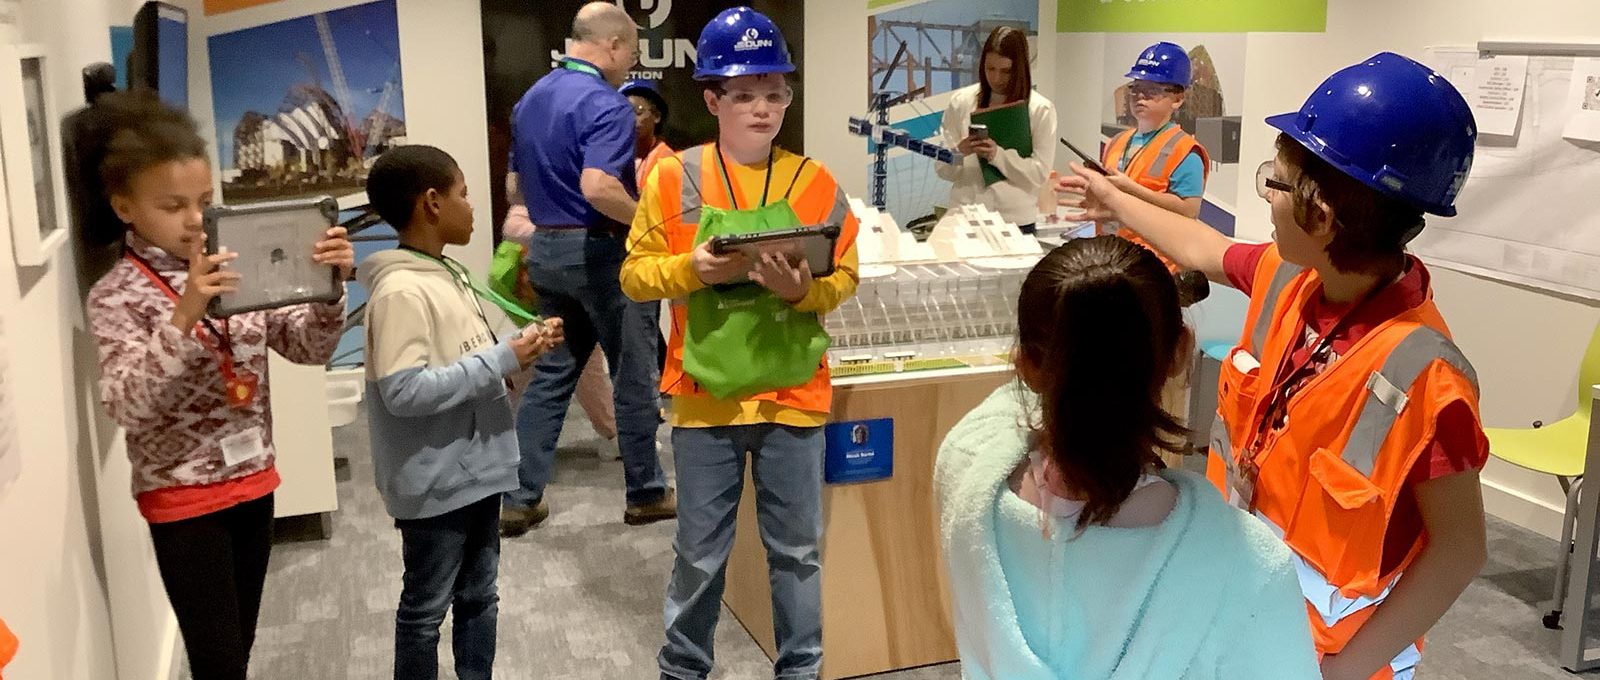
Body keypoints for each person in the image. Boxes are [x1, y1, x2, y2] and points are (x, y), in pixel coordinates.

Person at [1059, 53, 1488, 680]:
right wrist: (1113, 198)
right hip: (1238, 609)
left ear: (1322, 211)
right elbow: (1202, 246)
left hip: (1325, 656)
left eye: (1275, 181)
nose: (1266, 197)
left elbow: (1460, 550)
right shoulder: (1291, 276)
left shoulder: (1427, 377)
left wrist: (1343, 671)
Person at [935, 236, 1320, 679]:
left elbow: (1004, 413)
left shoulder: (967, 476)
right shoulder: (1246, 567)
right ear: (1180, 351)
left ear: (1027, 367)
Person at [620, 8, 860, 679]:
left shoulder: (815, 183)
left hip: (794, 395)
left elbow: (844, 277)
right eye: (745, 93)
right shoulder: (673, 178)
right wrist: (691, 270)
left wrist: (799, 293)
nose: (762, 107)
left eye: (775, 92)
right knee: (698, 554)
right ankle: (683, 671)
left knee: (798, 555)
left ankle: (801, 672)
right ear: (712, 99)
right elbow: (635, 276)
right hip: (704, 399)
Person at [86, 91, 351, 680]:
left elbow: (307, 349)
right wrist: (184, 313)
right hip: (182, 500)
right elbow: (126, 404)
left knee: (242, 644)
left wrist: (329, 289)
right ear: (125, 207)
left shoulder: (239, 262)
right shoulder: (116, 295)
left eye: (205, 201)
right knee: (218, 662)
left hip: (255, 479)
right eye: (172, 205)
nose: (194, 220)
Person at [361, 145, 563, 680]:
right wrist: (502, 357)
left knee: (480, 598)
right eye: (464, 194)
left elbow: (463, 358)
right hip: (436, 483)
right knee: (426, 610)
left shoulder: (444, 272)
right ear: (431, 202)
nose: (472, 207)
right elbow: (403, 392)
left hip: (478, 471)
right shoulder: (402, 290)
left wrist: (518, 348)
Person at [504, 0, 673, 535]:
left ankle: (519, 498)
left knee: (552, 374)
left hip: (548, 251)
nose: (629, 68)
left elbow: (513, 188)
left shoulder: (529, 100)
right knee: (633, 374)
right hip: (601, 254)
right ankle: (646, 492)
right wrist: (652, 224)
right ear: (616, 46)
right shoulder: (608, 104)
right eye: (632, 55)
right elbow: (599, 187)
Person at [502, 171, 621, 459]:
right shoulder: (550, 184)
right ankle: (611, 432)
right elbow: (513, 225)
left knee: (549, 353)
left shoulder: (560, 181)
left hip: (561, 280)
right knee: (578, 357)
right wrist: (564, 235)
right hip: (548, 285)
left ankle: (501, 401)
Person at [1096, 42, 1209, 270]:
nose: (1140, 97)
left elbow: (1188, 210)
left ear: (1177, 99)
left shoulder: (1185, 151)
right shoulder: (1116, 143)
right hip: (1108, 260)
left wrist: (1132, 189)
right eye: (1135, 88)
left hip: (1156, 269)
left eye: (1152, 90)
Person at [935, 25, 1057, 234]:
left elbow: (1039, 173)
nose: (996, 78)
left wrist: (997, 155)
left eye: (1005, 71)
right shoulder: (961, 102)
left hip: (1014, 224)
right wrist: (960, 151)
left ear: (1019, 69)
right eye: (990, 69)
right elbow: (941, 169)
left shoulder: (1040, 109)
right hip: (964, 219)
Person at [621, 78, 676, 182]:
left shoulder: (667, 160)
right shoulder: (615, 156)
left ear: (656, 116)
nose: (631, 119)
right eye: (624, 111)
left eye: (638, 111)